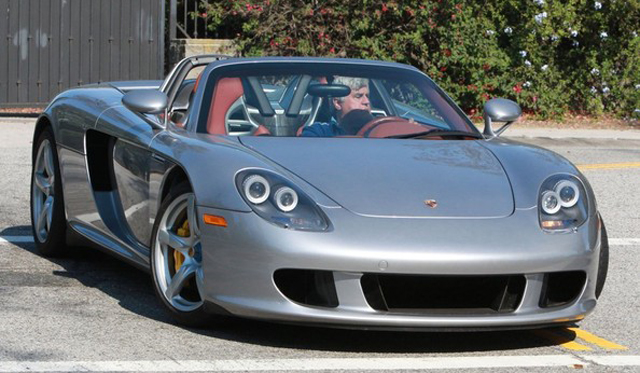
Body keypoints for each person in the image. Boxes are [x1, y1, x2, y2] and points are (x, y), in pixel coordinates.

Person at [301, 76, 373, 137]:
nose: (366, 101)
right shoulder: (319, 133)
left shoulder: (380, 129)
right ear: (337, 103)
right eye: (358, 96)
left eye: (367, 96)